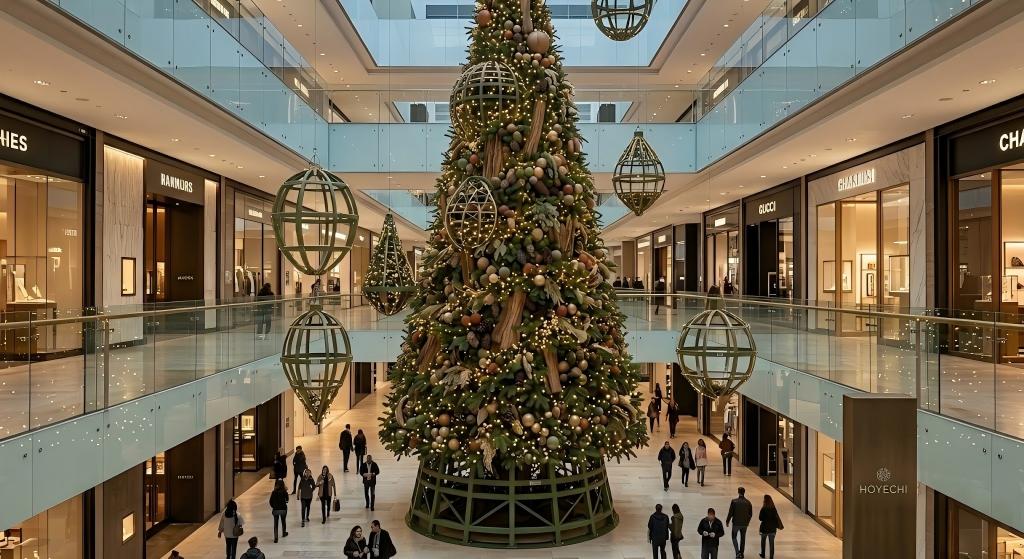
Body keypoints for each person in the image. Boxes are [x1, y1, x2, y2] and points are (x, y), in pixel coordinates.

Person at [726, 487, 754, 558]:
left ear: (738, 492)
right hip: (744, 524)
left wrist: (727, 521)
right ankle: (742, 553)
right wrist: (747, 522)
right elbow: (750, 514)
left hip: (736, 523)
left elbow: (730, 513)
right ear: (744, 492)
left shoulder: (734, 501)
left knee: (734, 537)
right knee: (743, 538)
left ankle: (737, 553)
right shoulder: (748, 502)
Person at [758, 495, 784, 559]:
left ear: (765, 500)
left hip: (764, 528)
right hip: (772, 529)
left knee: (763, 541)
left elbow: (760, 518)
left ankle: (763, 554)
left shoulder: (763, 508)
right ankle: (771, 557)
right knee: (771, 544)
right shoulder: (773, 509)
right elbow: (776, 518)